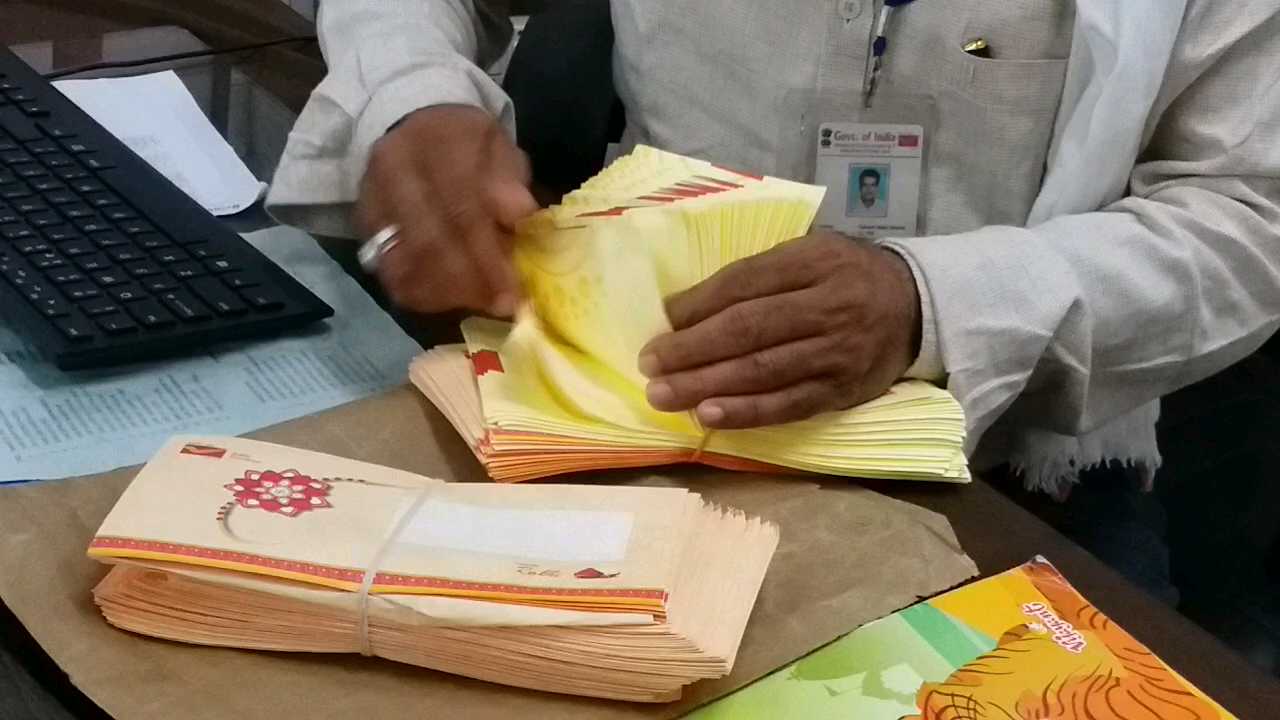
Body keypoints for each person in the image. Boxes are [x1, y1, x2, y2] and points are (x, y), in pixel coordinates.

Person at [266, 2, 1280, 597]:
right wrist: (411, 89)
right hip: (626, 403)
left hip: (1017, 456)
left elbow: (1250, 205)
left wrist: (932, 303)